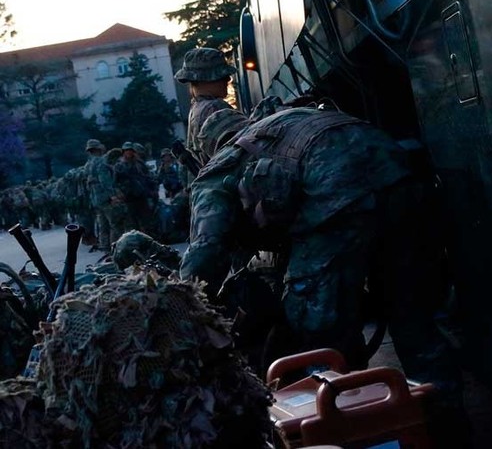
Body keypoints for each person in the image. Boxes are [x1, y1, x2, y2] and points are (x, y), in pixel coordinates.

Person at [180, 97, 466, 438]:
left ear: (203, 148)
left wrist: (183, 309)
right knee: (413, 316)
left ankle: (353, 426)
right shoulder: (281, 123)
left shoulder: (219, 170)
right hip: (395, 172)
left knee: (318, 327)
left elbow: (205, 253)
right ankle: (450, 425)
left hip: (335, 195)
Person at [174, 47, 237, 175]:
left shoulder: (196, 110)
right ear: (205, 78)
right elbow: (244, 151)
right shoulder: (215, 108)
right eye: (221, 76)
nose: (228, 80)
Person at [83, 138, 115, 251]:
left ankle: (104, 245)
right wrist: (113, 195)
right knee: (113, 223)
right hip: (105, 197)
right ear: (98, 149)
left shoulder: (87, 165)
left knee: (102, 224)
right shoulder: (101, 162)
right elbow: (105, 180)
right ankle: (114, 246)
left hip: (95, 199)